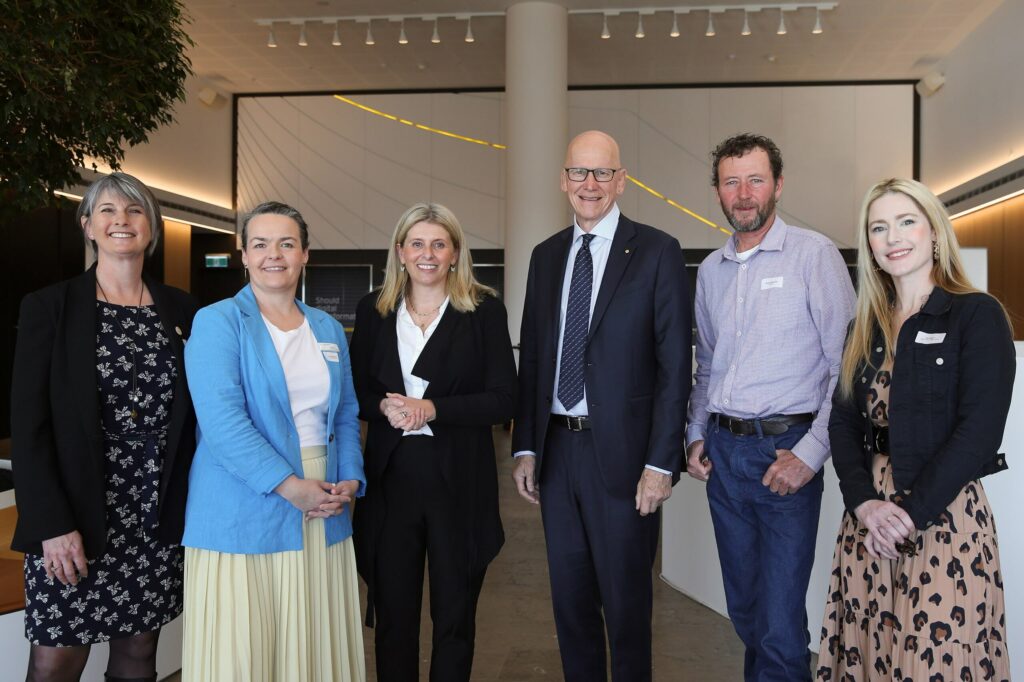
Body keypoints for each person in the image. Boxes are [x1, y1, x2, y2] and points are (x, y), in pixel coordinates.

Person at [816, 178, 1014, 681]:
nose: (893, 236)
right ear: (870, 245)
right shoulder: (863, 326)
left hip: (943, 518)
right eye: (879, 227)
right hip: (870, 520)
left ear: (933, 233)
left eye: (906, 221)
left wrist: (907, 515)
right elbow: (842, 422)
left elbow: (979, 433)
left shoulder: (976, 315)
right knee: (871, 651)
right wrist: (864, 504)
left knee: (937, 660)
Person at [511, 130, 691, 681]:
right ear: (563, 180)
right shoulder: (545, 256)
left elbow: (673, 368)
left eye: (601, 173)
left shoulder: (658, 251)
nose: (589, 185)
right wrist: (524, 445)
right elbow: (536, 358)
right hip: (558, 452)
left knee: (627, 609)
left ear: (621, 179)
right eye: (578, 173)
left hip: (627, 459)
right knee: (570, 603)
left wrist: (662, 464)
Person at [10, 172, 199, 682]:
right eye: (108, 211)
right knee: (57, 659)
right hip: (74, 513)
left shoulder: (184, 310)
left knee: (139, 650)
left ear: (152, 228)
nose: (122, 221)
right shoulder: (48, 307)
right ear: (88, 225)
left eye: (135, 211)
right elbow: (29, 428)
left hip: (156, 512)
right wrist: (50, 524)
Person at [685, 133, 856, 682]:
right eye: (731, 181)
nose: (743, 193)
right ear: (718, 191)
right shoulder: (710, 271)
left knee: (780, 628)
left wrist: (810, 454)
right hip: (724, 456)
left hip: (785, 452)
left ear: (778, 185)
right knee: (747, 614)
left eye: (755, 179)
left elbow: (845, 370)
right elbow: (707, 364)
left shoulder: (815, 255)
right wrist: (696, 433)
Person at [181, 201, 366, 682]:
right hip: (243, 500)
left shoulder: (326, 328)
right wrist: (289, 486)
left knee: (313, 639)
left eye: (286, 244)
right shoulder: (217, 321)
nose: (273, 255)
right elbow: (222, 422)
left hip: (323, 504)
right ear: (243, 255)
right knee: (248, 645)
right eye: (259, 244)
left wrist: (348, 478)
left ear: (305, 254)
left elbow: (344, 413)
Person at [348, 202, 516, 681]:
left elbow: (505, 399)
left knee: (455, 621)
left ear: (454, 253)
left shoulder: (483, 311)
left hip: (460, 483)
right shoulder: (374, 310)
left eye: (439, 244)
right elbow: (355, 392)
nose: (428, 253)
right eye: (417, 243)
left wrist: (434, 408)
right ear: (400, 252)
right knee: (393, 622)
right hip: (391, 483)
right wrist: (381, 406)